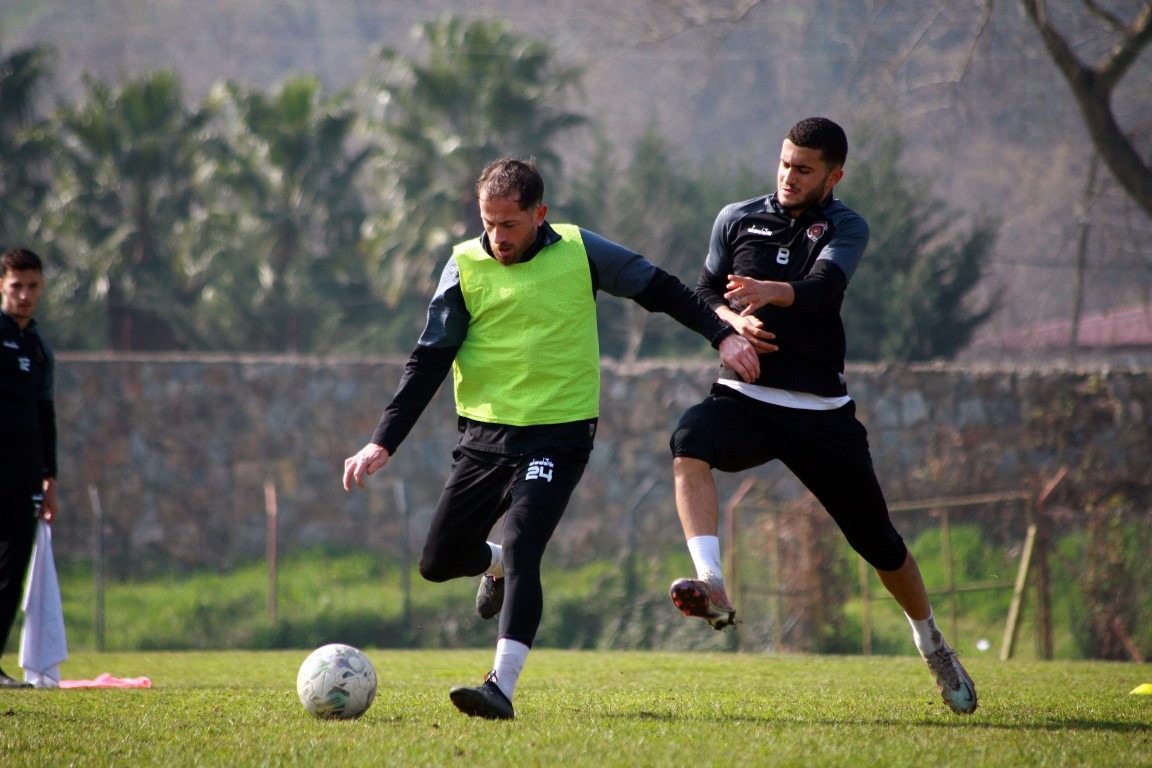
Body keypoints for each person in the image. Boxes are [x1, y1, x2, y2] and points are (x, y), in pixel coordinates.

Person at [343, 157, 760, 720]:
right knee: (438, 562)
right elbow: (428, 361)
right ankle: (491, 566)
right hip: (484, 438)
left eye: (509, 224)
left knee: (524, 546)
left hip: (558, 436)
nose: (497, 237)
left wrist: (720, 334)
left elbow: (660, 288)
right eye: (488, 224)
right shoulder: (464, 265)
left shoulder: (580, 250)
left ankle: (500, 686)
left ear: (540, 214)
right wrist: (381, 442)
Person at [666, 117, 978, 715]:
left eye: (804, 169)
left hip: (820, 413)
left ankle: (931, 642)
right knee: (689, 439)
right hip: (748, 398)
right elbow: (703, 292)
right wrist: (730, 325)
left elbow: (824, 287)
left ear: (833, 175)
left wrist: (769, 291)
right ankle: (713, 584)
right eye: (785, 163)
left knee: (881, 545)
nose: (789, 176)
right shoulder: (736, 217)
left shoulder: (845, 225)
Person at [0, 247, 57, 689]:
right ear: (2, 284)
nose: (25, 294)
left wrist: (49, 479)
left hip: (25, 478)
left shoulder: (37, 347)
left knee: (10, 573)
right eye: (16, 285)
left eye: (32, 286)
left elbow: (45, 415)